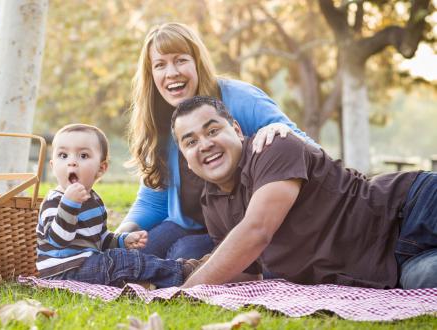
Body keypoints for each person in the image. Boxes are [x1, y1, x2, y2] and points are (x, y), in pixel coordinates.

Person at [171, 95, 437, 289]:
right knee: (427, 280)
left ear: (237, 131)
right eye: (191, 141)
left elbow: (257, 230)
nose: (205, 144)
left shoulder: (273, 148)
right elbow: (246, 271)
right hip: (390, 266)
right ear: (186, 158)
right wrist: (183, 272)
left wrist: (186, 291)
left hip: (409, 209)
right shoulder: (212, 201)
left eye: (213, 130)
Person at [116, 22, 316, 262]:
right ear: (152, 75)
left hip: (245, 224)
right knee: (124, 256)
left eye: (180, 60)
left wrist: (281, 130)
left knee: (182, 253)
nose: (171, 73)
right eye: (160, 65)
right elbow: (153, 199)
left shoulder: (243, 99)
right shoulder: (158, 119)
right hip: (189, 224)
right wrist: (120, 235)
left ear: (197, 62)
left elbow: (309, 150)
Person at [36, 124, 200, 288]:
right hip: (63, 272)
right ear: (52, 166)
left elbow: (101, 239)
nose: (71, 162)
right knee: (122, 261)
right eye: (63, 155)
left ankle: (156, 279)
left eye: (83, 156)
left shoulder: (94, 201)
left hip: (88, 265)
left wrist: (123, 240)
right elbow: (58, 241)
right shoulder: (54, 201)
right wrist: (69, 204)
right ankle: (183, 272)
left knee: (125, 257)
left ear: (101, 169)